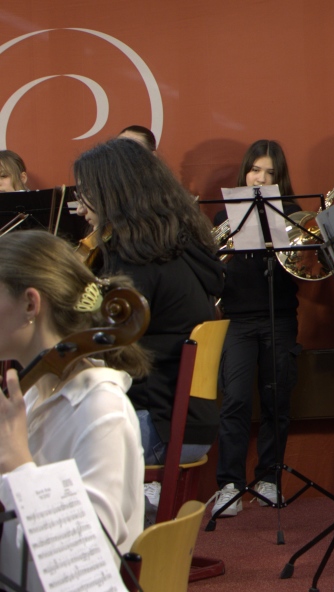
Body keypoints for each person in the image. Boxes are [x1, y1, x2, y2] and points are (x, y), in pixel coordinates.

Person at [73, 139, 224, 514]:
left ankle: (128, 524)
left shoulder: (135, 260)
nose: (81, 207)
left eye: (86, 194)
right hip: (190, 422)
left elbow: (109, 348)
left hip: (158, 425)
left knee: (43, 449)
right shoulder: (180, 246)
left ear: (113, 193)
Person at [0, 231, 149, 589]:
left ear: (30, 304)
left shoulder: (101, 409)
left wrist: (18, 464)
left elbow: (86, 563)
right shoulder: (30, 396)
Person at [210, 141, 303, 515]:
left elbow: (305, 269)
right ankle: (229, 485)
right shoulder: (223, 216)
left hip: (279, 317)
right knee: (234, 400)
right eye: (255, 170)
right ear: (245, 172)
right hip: (237, 320)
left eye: (269, 173)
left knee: (276, 400)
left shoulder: (292, 214)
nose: (260, 179)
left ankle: (269, 479)